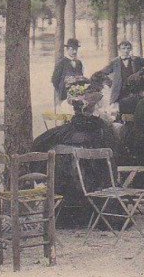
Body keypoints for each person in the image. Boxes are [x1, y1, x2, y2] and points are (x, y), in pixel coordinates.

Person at [32, 80, 126, 228]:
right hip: (95, 190)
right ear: (94, 107)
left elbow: (37, 144)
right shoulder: (103, 130)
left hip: (67, 193)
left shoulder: (62, 132)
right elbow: (117, 155)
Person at [93, 40, 144, 106]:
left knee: (135, 107)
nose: (126, 51)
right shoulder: (115, 62)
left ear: (131, 49)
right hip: (119, 91)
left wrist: (141, 73)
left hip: (134, 90)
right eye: (123, 48)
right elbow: (103, 72)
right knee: (120, 108)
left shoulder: (136, 60)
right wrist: (109, 82)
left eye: (128, 48)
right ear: (119, 49)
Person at [51, 38, 85, 104]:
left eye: (76, 49)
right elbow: (54, 80)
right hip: (65, 96)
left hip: (78, 95)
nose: (74, 52)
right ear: (67, 49)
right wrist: (62, 90)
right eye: (72, 49)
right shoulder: (61, 63)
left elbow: (81, 78)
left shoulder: (79, 63)